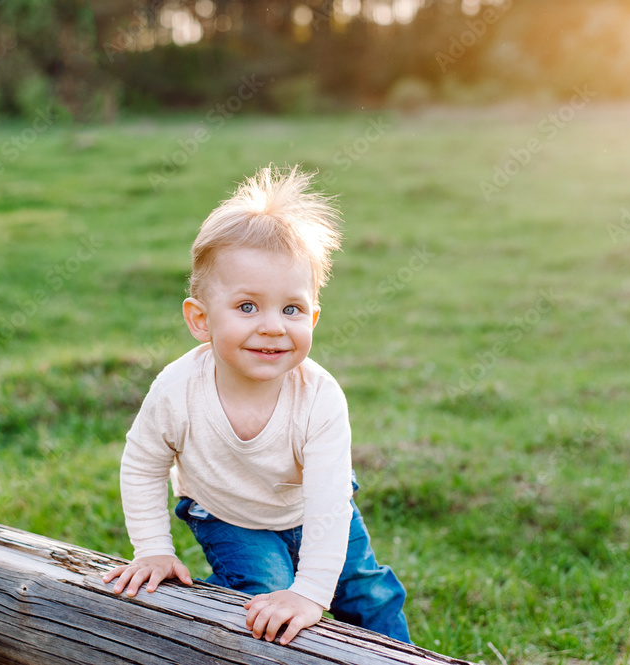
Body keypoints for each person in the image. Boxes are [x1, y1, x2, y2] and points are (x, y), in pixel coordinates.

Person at [103, 165, 410, 646]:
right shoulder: (177, 390)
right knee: (263, 595)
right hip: (229, 515)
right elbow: (142, 464)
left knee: (368, 594)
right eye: (247, 307)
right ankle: (202, 631)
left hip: (314, 510)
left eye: (291, 309)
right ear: (201, 320)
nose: (272, 326)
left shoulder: (319, 396)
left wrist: (310, 593)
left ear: (313, 317)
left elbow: (329, 502)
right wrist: (153, 549)